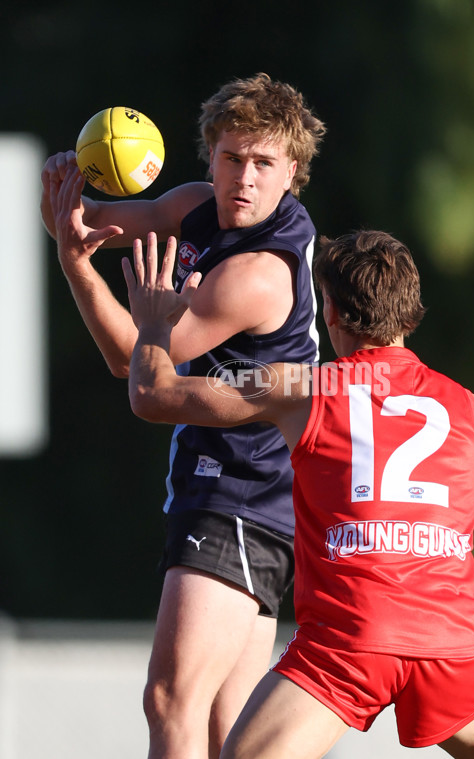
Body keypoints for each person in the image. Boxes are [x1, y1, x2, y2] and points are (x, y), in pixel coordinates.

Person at [123, 228, 474, 759]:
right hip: (454, 645)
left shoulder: (302, 389)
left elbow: (153, 394)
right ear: (412, 315)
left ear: (329, 311)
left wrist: (152, 325)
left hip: (348, 640)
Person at [40, 73, 326, 759]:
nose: (244, 179)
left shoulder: (254, 275)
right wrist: (67, 190)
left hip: (239, 492)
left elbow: (137, 370)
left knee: (171, 698)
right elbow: (98, 223)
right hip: (260, 499)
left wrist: (77, 269)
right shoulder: (201, 206)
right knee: (231, 734)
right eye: (232, 158)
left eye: (263, 164)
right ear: (210, 156)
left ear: (293, 171)